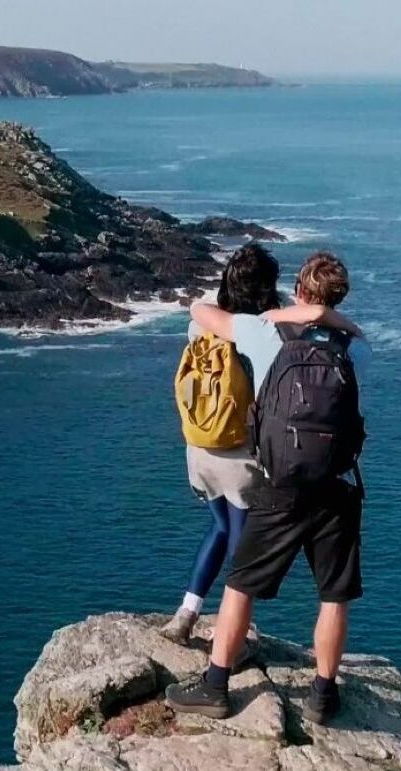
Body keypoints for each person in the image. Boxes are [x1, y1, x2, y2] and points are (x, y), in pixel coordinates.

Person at [166, 251, 370, 724]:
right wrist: (322, 314)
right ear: (339, 297)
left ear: (297, 290)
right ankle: (322, 694)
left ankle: (215, 685)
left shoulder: (264, 332)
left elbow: (200, 312)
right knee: (333, 595)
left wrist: (276, 312)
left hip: (280, 480)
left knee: (241, 584)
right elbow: (350, 335)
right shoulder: (355, 346)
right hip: (337, 484)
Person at [162, 243, 280, 645]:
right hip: (240, 457)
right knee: (244, 550)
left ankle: (186, 614)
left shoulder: (200, 324)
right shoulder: (261, 335)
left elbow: (201, 305)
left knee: (219, 527)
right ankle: (235, 637)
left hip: (200, 449)